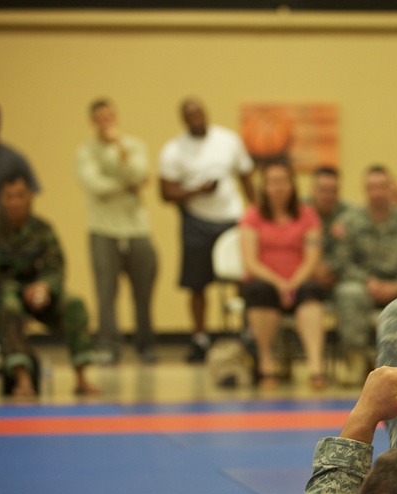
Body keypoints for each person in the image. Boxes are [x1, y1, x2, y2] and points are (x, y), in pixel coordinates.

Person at [0, 173, 97, 398]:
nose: (15, 202)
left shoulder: (42, 229)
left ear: (30, 197)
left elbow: (55, 265)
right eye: (9, 196)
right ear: (1, 199)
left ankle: (81, 377)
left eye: (20, 196)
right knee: (10, 307)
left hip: (38, 295)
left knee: (74, 304)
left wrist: (44, 286)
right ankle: (23, 379)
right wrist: (23, 290)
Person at [159, 97, 255, 363]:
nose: (196, 118)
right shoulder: (174, 150)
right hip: (196, 221)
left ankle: (247, 332)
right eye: (190, 115)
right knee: (196, 284)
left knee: (241, 279)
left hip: (232, 218)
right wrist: (196, 190)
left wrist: (255, 212)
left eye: (199, 112)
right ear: (183, 119)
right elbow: (165, 192)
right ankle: (200, 338)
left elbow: (246, 175)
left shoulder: (228, 140)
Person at [332, 165, 397, 382]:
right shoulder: (350, 222)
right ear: (364, 190)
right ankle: (356, 361)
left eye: (382, 187)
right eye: (372, 187)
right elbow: (342, 263)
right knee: (348, 292)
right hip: (365, 287)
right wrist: (367, 281)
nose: (377, 193)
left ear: (391, 189)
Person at [76, 98, 159, 365]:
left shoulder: (134, 146)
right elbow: (95, 186)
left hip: (137, 229)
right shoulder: (86, 152)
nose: (106, 122)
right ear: (92, 122)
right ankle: (108, 345)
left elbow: (139, 173)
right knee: (106, 293)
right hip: (103, 229)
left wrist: (119, 148)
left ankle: (145, 344)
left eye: (110, 117)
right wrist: (127, 185)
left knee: (144, 291)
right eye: (100, 118)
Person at [239, 158, 328, 390]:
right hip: (267, 283)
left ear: (292, 185)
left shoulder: (308, 214)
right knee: (260, 291)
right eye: (272, 182)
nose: (278, 188)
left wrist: (292, 284)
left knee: (311, 291)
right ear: (264, 186)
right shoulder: (252, 216)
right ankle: (266, 366)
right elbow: (250, 262)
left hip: (298, 281)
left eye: (283, 182)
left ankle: (315, 368)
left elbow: (312, 257)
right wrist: (279, 284)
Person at [304, 165, 349, 290]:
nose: (327, 196)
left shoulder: (348, 214)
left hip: (336, 276)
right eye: (323, 190)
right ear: (312, 189)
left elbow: (348, 250)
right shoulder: (298, 212)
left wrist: (330, 269)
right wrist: (312, 270)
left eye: (333, 191)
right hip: (302, 275)